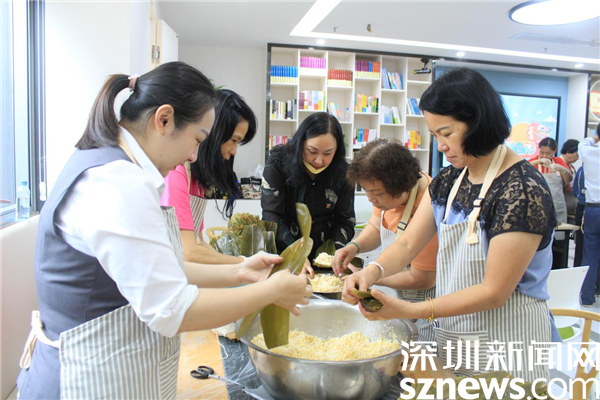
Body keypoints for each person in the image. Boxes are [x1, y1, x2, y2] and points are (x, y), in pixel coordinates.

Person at [16, 62, 312, 399]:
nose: (194, 155)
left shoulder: (107, 164)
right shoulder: (116, 181)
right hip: (82, 382)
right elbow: (173, 309)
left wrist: (240, 270)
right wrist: (271, 291)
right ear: (164, 119)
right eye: (197, 139)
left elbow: (159, 269)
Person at [342, 68, 557, 382]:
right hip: (456, 335)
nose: (441, 145)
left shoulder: (522, 190)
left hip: (507, 340)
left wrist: (409, 310)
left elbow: (494, 292)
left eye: (447, 133)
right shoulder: (449, 180)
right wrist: (372, 272)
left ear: (478, 122)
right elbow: (407, 244)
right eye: (434, 136)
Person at [332, 138, 439, 341]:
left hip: (425, 306)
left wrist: (368, 275)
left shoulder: (429, 203)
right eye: (367, 192)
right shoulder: (383, 194)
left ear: (402, 186)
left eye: (377, 194)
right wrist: (354, 247)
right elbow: (376, 226)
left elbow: (422, 278)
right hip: (396, 293)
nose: (371, 199)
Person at [161, 89, 257, 264]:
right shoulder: (177, 172)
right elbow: (189, 252)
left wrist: (242, 264)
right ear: (213, 133)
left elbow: (199, 242)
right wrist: (244, 264)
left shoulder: (197, 181)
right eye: (233, 140)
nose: (234, 151)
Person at [261, 112, 355, 272]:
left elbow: (346, 221)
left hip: (325, 255)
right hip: (284, 250)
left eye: (328, 153)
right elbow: (271, 216)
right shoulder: (278, 163)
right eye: (312, 151)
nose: (319, 160)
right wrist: (296, 253)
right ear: (300, 143)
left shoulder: (344, 173)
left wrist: (338, 251)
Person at [578, 127, 600, 307]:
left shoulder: (589, 152)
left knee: (590, 255)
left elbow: (584, 142)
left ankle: (586, 297)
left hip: (592, 209)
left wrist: (596, 137)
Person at [559, 138, 579, 217]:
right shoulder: (557, 165)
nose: (578, 158)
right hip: (561, 203)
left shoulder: (572, 167)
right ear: (568, 152)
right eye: (577, 155)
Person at [572, 164, 586, 268]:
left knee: (580, 244)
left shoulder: (582, 169)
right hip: (587, 207)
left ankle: (578, 269)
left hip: (583, 207)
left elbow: (575, 191)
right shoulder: (582, 170)